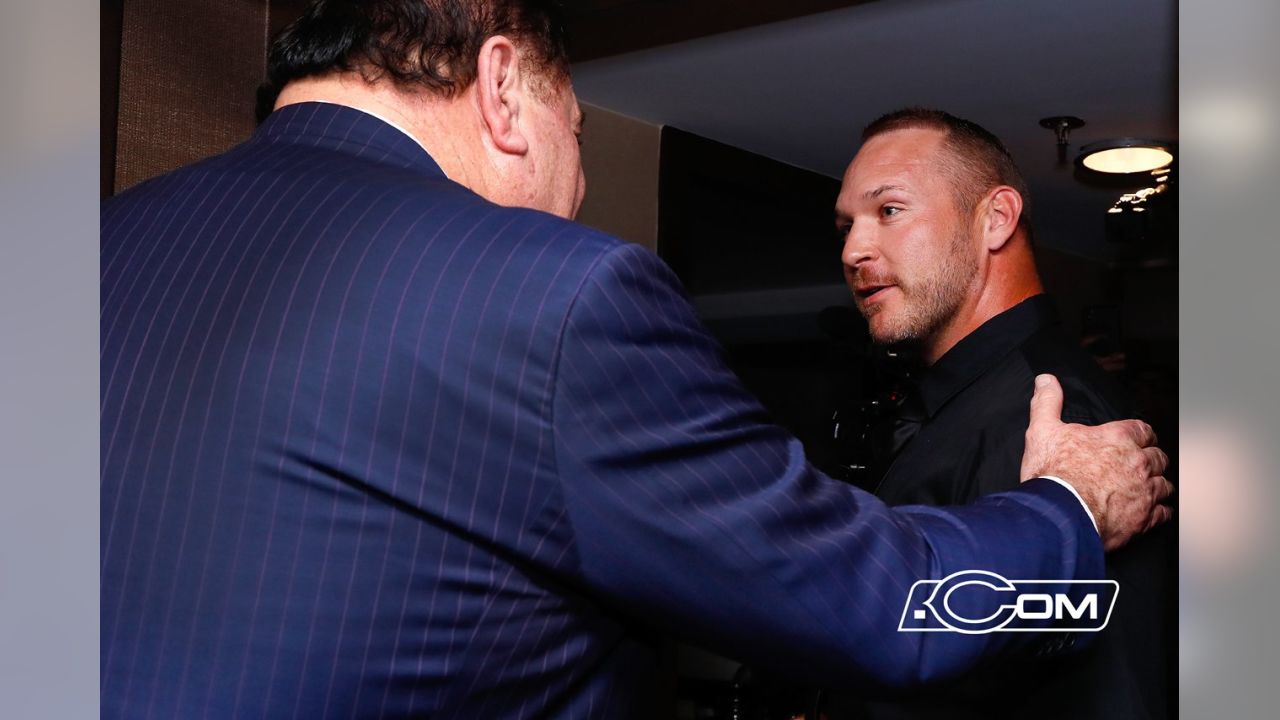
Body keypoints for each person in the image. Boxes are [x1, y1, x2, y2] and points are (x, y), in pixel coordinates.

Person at [99, 3, 1171, 718]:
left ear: (997, 217)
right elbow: (871, 601)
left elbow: (1106, 658)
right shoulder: (549, 290)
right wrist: (1067, 511)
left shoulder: (82, 254)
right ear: (503, 88)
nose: (575, 193)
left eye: (887, 210)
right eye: (577, 136)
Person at [827, 108, 1175, 718]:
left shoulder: (1057, 417)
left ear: (995, 219)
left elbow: (1117, 691)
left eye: (889, 211)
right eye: (846, 225)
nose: (854, 249)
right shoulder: (954, 401)